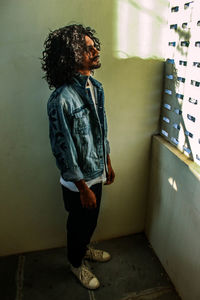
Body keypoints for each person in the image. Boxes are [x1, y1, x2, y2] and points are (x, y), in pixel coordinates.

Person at [41, 24, 115, 290]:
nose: (95, 50)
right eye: (87, 48)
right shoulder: (60, 99)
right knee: (78, 225)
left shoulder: (96, 87)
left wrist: (107, 161)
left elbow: (101, 130)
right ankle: (75, 263)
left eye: (93, 45)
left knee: (91, 220)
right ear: (71, 56)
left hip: (97, 171)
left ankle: (83, 249)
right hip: (78, 182)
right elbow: (62, 149)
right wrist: (82, 187)